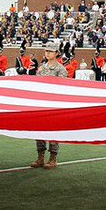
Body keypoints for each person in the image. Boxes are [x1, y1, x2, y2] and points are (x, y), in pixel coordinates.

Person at [31, 41, 68, 169]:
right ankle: (40, 157)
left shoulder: (60, 70)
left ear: (57, 53)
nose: (48, 53)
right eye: (46, 51)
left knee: (53, 131)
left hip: (54, 105)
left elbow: (62, 89)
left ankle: (53, 158)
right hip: (42, 104)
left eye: (51, 51)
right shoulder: (41, 69)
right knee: (39, 130)